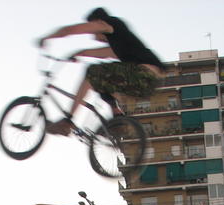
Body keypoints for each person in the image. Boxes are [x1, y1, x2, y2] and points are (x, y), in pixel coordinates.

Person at [38, 7, 164, 136]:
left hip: (142, 74)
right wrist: (78, 53)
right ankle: (118, 119)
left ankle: (67, 122)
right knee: (102, 81)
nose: (94, 37)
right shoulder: (120, 41)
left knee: (92, 72)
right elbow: (102, 54)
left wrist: (47, 37)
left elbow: (70, 30)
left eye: (94, 32)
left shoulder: (108, 23)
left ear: (97, 22)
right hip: (147, 83)